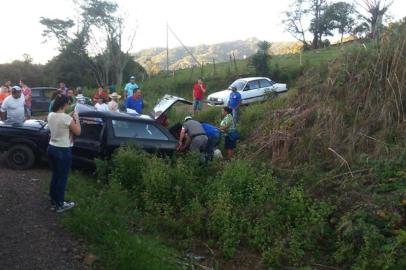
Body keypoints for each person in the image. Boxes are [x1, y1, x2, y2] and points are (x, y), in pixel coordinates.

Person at [47, 94, 81, 213]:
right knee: (62, 178)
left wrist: (69, 116)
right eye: (68, 103)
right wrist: (76, 118)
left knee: (55, 176)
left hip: (51, 148)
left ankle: (53, 200)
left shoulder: (50, 115)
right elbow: (78, 131)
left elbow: (60, 120)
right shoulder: (67, 118)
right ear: (65, 104)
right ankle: (60, 205)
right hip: (63, 150)